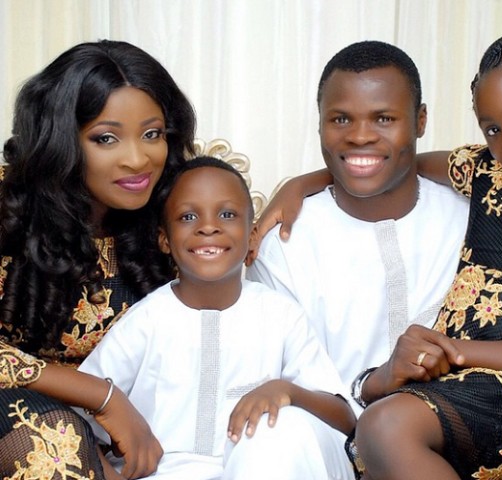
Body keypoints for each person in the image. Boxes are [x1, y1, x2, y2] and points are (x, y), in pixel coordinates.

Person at [351, 21, 502, 480]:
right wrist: (304, 182)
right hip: (457, 387)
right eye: (492, 128)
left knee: (387, 426)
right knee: (382, 427)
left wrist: (461, 351)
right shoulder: (488, 171)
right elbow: (399, 163)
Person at [77, 156, 356, 479]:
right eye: (188, 216)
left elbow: (344, 418)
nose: (208, 227)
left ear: (252, 236)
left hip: (262, 471)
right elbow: (80, 415)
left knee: (285, 429)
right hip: (164, 475)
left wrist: (287, 391)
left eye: (227, 214)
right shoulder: (146, 321)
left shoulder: (280, 315)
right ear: (164, 240)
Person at [0, 40, 196, 479]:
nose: (138, 159)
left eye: (152, 134)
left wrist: (304, 184)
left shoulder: (176, 210)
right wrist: (100, 397)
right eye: (106, 138)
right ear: (60, 139)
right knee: (53, 443)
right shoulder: (8, 208)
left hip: (119, 421)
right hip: (20, 410)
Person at [246, 40, 470, 419]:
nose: (360, 136)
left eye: (384, 119)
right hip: (324, 436)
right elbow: (281, 384)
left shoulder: (471, 219)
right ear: (320, 123)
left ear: (420, 121)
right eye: (340, 120)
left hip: (460, 429)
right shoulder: (284, 243)